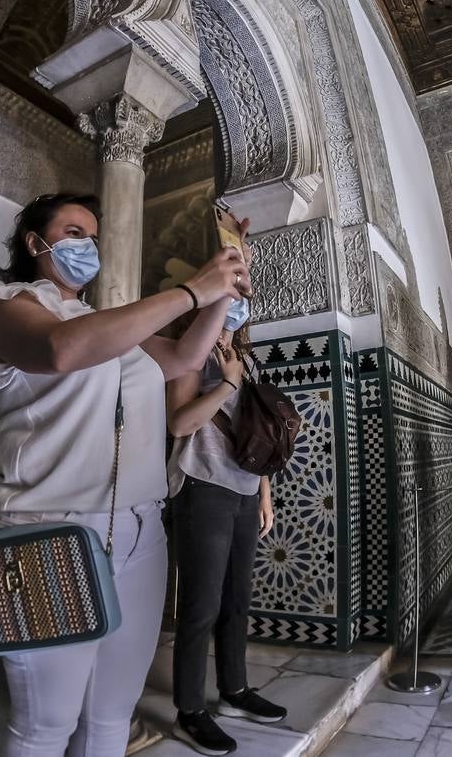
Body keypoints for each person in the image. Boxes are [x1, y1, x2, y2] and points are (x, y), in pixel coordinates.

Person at [0, 193, 249, 757]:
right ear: (35, 244)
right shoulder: (11, 309)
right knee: (47, 723)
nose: (86, 245)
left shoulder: (107, 326)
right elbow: (62, 351)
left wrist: (225, 287)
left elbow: (185, 358)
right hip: (46, 533)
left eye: (92, 235)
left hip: (139, 530)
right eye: (71, 232)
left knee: (111, 714)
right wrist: (191, 291)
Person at [166, 270, 284, 755]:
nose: (237, 303)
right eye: (230, 294)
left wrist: (264, 495)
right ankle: (190, 709)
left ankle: (234, 690)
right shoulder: (192, 353)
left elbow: (259, 438)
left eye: (242, 296)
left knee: (237, 599)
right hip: (201, 487)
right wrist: (226, 385)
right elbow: (179, 422)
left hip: (241, 492)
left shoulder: (247, 361)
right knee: (202, 604)